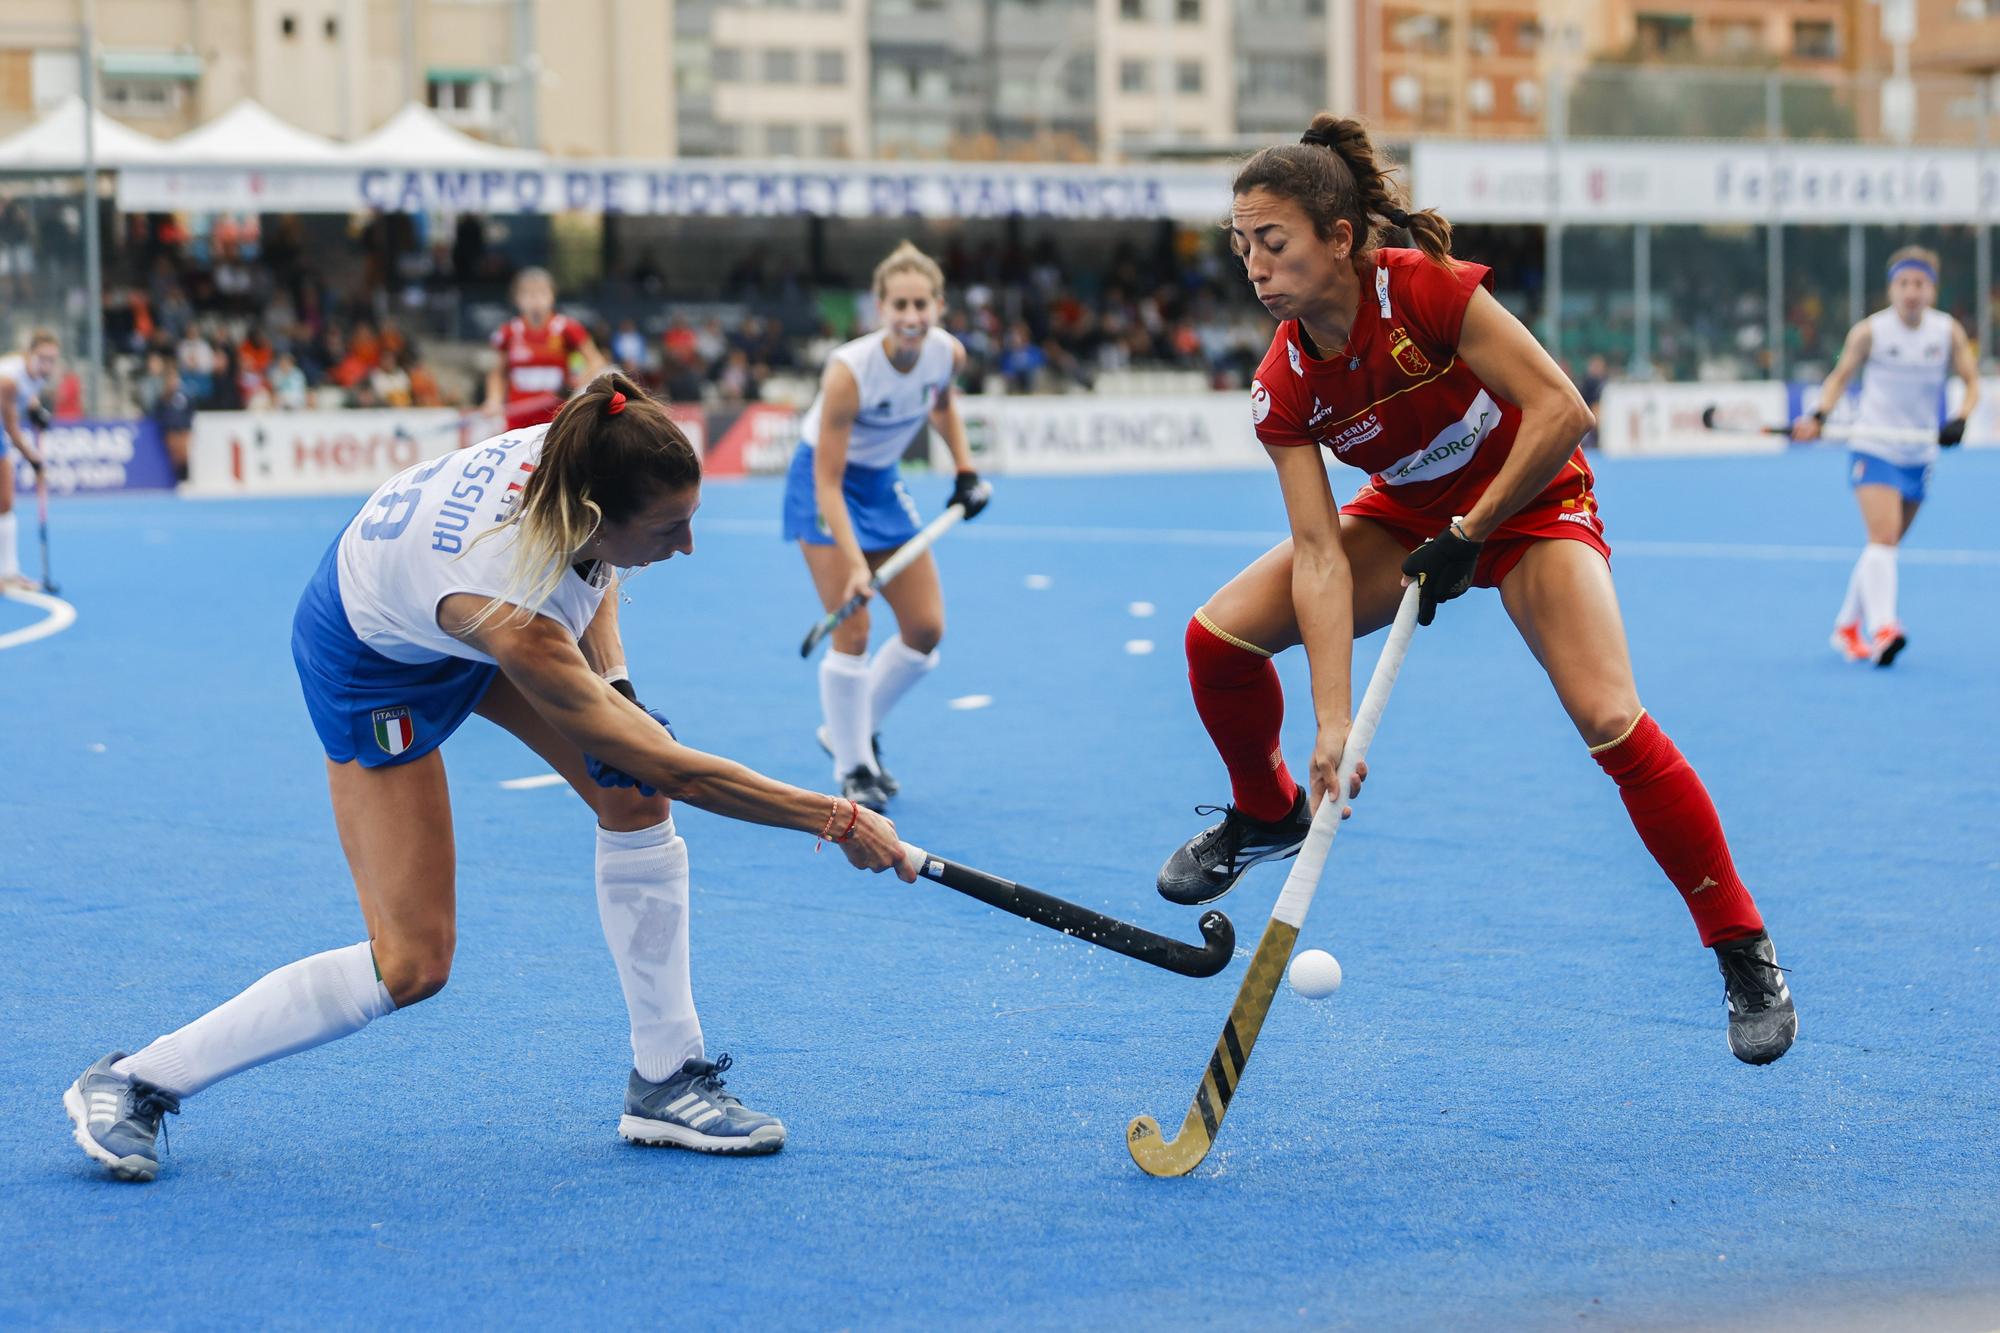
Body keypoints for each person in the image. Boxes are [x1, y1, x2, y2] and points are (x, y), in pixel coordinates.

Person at [65, 372, 916, 1183]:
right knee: (413, 961)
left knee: (630, 792)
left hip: (450, 603)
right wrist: (834, 817)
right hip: (372, 661)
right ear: (596, 513)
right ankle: (139, 1077)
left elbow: (596, 571)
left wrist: (618, 690)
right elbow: (670, 763)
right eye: (668, 529)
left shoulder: (588, 445)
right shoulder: (514, 608)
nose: (686, 544)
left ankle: (665, 1078)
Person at [1154, 115, 1795, 1066]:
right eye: (1241, 244)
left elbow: (1563, 411)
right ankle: (1269, 809)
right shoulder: (1282, 384)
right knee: (1219, 640)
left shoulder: (1424, 289)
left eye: (1272, 240)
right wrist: (1330, 726)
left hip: (1531, 501)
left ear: (1339, 238)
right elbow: (1320, 555)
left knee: (1610, 718)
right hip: (1410, 515)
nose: (1252, 262)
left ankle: (1742, 945)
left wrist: (1473, 530)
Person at [784, 242, 992, 812]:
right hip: (824, 484)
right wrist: (855, 565)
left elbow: (942, 404)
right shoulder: (849, 372)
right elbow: (827, 480)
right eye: (898, 304)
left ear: (939, 306)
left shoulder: (945, 354)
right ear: (879, 308)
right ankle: (854, 765)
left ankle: (846, 728)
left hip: (879, 483)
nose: (910, 316)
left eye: (920, 303)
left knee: (925, 629)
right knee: (853, 629)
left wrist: (965, 469)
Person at [1790, 245, 1976, 667]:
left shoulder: (1947, 332)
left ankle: (1846, 626)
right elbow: (1839, 378)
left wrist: (1961, 418)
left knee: (1883, 549)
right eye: (1904, 284)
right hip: (1874, 447)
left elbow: (1971, 381)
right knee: (1883, 540)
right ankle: (1885, 627)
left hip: (1919, 451)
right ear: (1892, 288)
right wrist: (1819, 414)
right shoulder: (1870, 332)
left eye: (1921, 284)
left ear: (1933, 290)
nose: (1912, 292)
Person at [482, 267, 605, 431]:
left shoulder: (567, 328)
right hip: (518, 419)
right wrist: (493, 400)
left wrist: (579, 381)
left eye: (541, 294)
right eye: (528, 295)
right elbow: (497, 372)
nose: (535, 300)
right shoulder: (508, 331)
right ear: (517, 299)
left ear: (552, 296)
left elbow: (596, 361)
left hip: (556, 417)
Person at [0, 329, 57, 592]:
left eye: (52, 359)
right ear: (29, 354)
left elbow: (28, 395)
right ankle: (7, 575)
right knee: (5, 500)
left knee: (4, 503)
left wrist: (35, 409)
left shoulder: (35, 376)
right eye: (42, 358)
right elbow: (12, 428)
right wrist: (34, 458)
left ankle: (8, 573)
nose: (47, 365)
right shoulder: (9, 379)